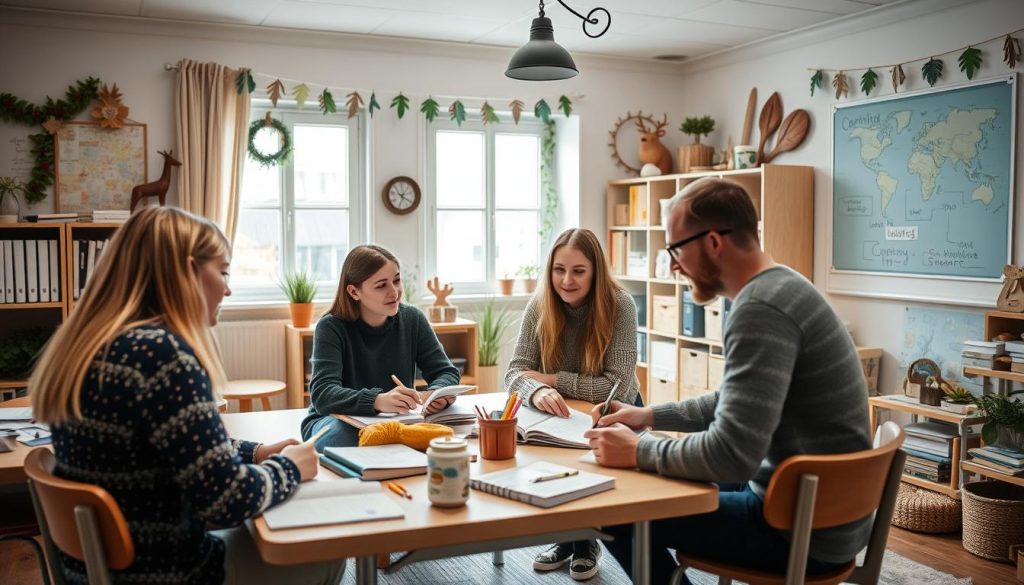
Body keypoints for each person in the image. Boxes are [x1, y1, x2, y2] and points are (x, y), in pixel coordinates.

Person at [30, 206, 343, 585]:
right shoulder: (163, 356)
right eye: (223, 271)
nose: (227, 288)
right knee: (326, 554)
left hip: (100, 571)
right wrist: (291, 467)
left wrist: (258, 454)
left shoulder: (91, 347)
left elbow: (178, 446)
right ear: (186, 271)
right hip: (168, 572)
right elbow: (225, 500)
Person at [584, 178, 871, 583]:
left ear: (714, 242)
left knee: (616, 507)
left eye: (676, 249)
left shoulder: (760, 308)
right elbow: (732, 402)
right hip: (824, 511)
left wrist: (639, 451)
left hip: (800, 529)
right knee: (653, 481)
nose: (672, 265)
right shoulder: (780, 284)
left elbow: (733, 455)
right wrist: (646, 416)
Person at [505, 227, 640, 581]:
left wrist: (551, 380)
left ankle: (584, 543)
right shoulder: (540, 304)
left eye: (578, 271)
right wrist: (535, 391)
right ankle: (570, 540)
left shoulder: (620, 304)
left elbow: (618, 386)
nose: (566, 280)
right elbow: (515, 372)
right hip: (561, 410)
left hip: (616, 412)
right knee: (551, 460)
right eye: (558, 270)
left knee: (588, 465)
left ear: (595, 271)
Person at [300, 244, 461, 449]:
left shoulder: (412, 318)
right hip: (337, 421)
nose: (394, 292)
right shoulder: (331, 326)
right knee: (344, 438)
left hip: (396, 422)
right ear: (353, 291)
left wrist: (435, 394)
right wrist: (376, 400)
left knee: (453, 430)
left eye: (396, 280)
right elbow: (323, 393)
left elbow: (446, 372)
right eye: (381, 285)